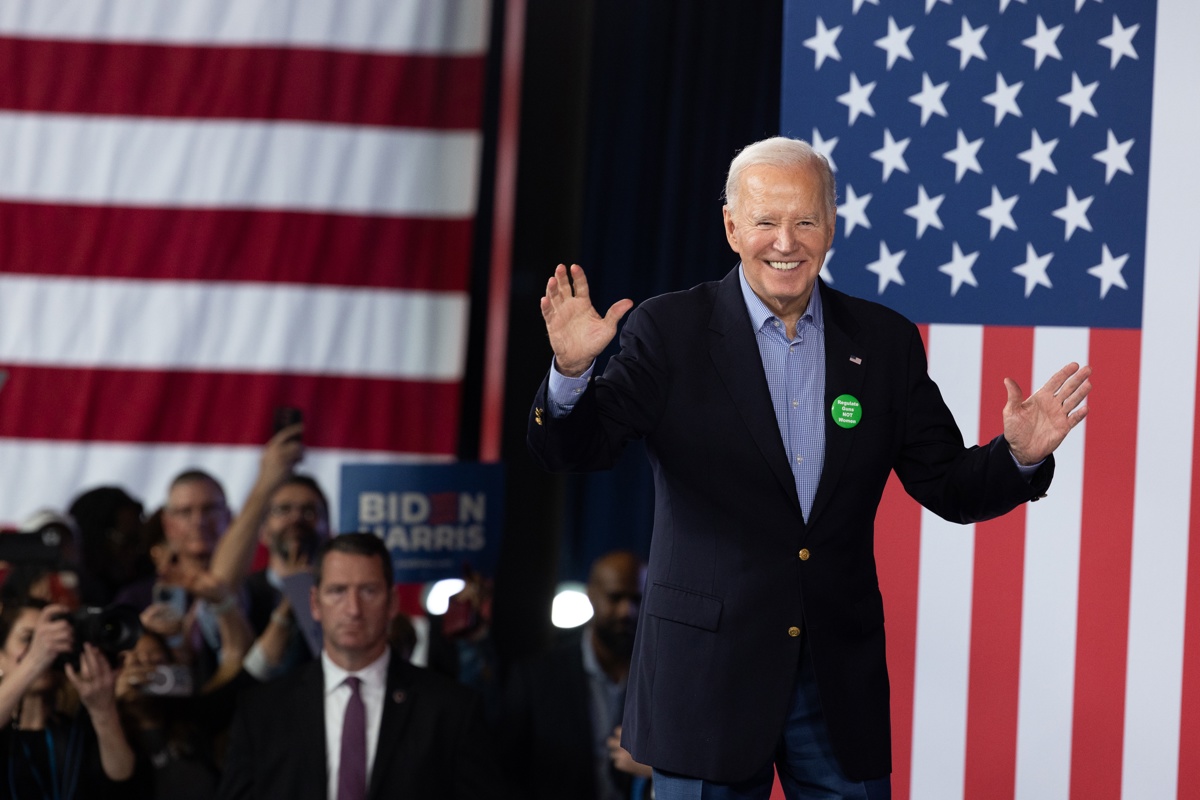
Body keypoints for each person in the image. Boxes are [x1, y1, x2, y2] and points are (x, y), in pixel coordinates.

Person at [528, 136, 1092, 798]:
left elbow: (949, 485)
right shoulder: (671, 330)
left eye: (804, 219)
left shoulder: (882, 342)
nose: (785, 241)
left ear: (831, 224)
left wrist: (1020, 457)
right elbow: (580, 449)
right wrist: (571, 376)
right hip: (707, 679)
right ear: (732, 226)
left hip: (833, 685)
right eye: (765, 221)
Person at [217, 533, 502, 800]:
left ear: (392, 602)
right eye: (338, 591)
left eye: (368, 591)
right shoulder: (262, 712)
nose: (353, 609)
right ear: (315, 604)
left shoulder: (450, 710)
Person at [501, 550, 649, 800]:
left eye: (637, 599)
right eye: (615, 597)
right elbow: (508, 768)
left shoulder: (662, 680)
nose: (628, 611)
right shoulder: (538, 677)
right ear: (591, 595)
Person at [0, 598, 145, 798]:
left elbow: (123, 780)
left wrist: (104, 710)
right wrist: (34, 661)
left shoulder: (79, 728)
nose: (46, 649)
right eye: (28, 639)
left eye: (57, 639)